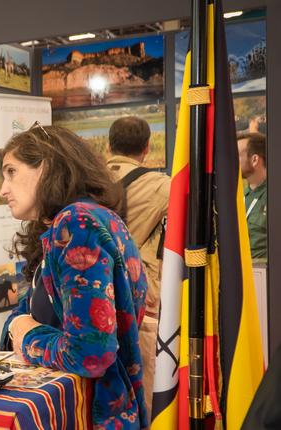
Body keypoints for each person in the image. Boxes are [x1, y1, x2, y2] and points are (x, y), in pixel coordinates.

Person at [0, 124, 148, 429]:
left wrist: (26, 335)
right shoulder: (83, 219)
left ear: (47, 165)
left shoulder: (76, 223)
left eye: (11, 172)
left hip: (89, 413)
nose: (3, 189)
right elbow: (25, 311)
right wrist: (18, 325)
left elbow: (89, 353)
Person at [106, 116, 170, 410]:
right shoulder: (162, 186)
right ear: (147, 147)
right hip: (140, 297)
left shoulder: (89, 180)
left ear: (109, 144)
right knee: (143, 390)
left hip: (95, 291)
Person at [237, 132, 267, 260]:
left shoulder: (273, 196)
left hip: (266, 274)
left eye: (237, 155)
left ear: (254, 160)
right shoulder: (239, 196)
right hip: (239, 270)